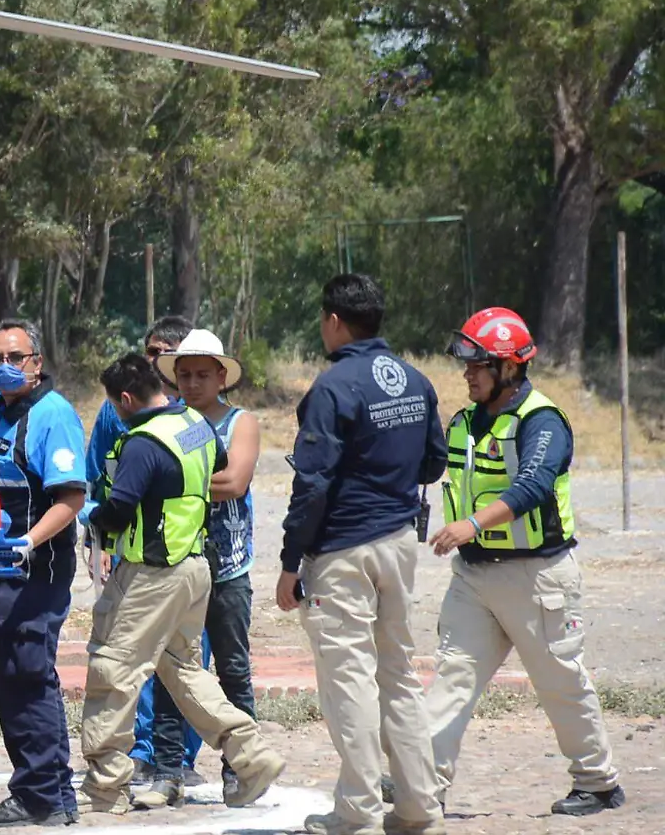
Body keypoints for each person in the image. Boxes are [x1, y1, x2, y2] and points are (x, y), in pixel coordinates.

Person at [422, 307, 624, 817]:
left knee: (560, 683)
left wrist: (471, 524)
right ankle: (421, 783)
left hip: (537, 578)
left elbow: (532, 486)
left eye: (478, 363)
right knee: (452, 678)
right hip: (474, 578)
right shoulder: (465, 421)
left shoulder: (543, 420)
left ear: (509, 368)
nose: (467, 372)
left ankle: (597, 782)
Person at [75, 354, 284, 815]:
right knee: (183, 670)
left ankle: (106, 786)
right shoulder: (195, 425)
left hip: (152, 572)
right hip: (194, 567)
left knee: (113, 669)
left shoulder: (143, 443)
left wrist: (92, 517)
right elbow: (220, 468)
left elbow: (120, 507)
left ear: (125, 400)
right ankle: (250, 754)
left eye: (115, 406)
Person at [277, 273, 447, 835]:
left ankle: (358, 812)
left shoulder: (332, 387)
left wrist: (289, 561)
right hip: (398, 543)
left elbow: (313, 483)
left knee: (348, 678)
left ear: (333, 322)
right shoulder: (416, 381)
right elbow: (433, 463)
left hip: (342, 551)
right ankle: (419, 807)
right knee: (397, 672)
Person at [0, 319, 88, 828]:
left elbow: (72, 497)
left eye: (14, 357)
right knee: (12, 676)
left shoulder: (53, 416)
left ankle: (43, 794)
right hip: (3, 570)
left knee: (29, 674)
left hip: (39, 566)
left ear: (37, 362)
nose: (3, 368)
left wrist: (27, 543)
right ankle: (49, 792)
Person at [133, 330, 262, 808]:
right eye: (183, 375)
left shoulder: (239, 422)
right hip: (178, 565)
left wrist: (173, 480)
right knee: (173, 671)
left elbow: (234, 480)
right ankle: (168, 768)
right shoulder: (172, 422)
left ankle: (240, 766)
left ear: (221, 376)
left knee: (232, 670)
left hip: (227, 567)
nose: (191, 383)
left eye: (202, 375)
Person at [85, 316, 196, 787]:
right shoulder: (116, 413)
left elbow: (219, 481)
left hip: (181, 558)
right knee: (137, 661)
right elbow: (100, 477)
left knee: (182, 662)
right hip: (131, 556)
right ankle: (145, 751)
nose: (157, 361)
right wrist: (101, 545)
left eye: (167, 353)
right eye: (152, 351)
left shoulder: (197, 414)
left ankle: (182, 757)